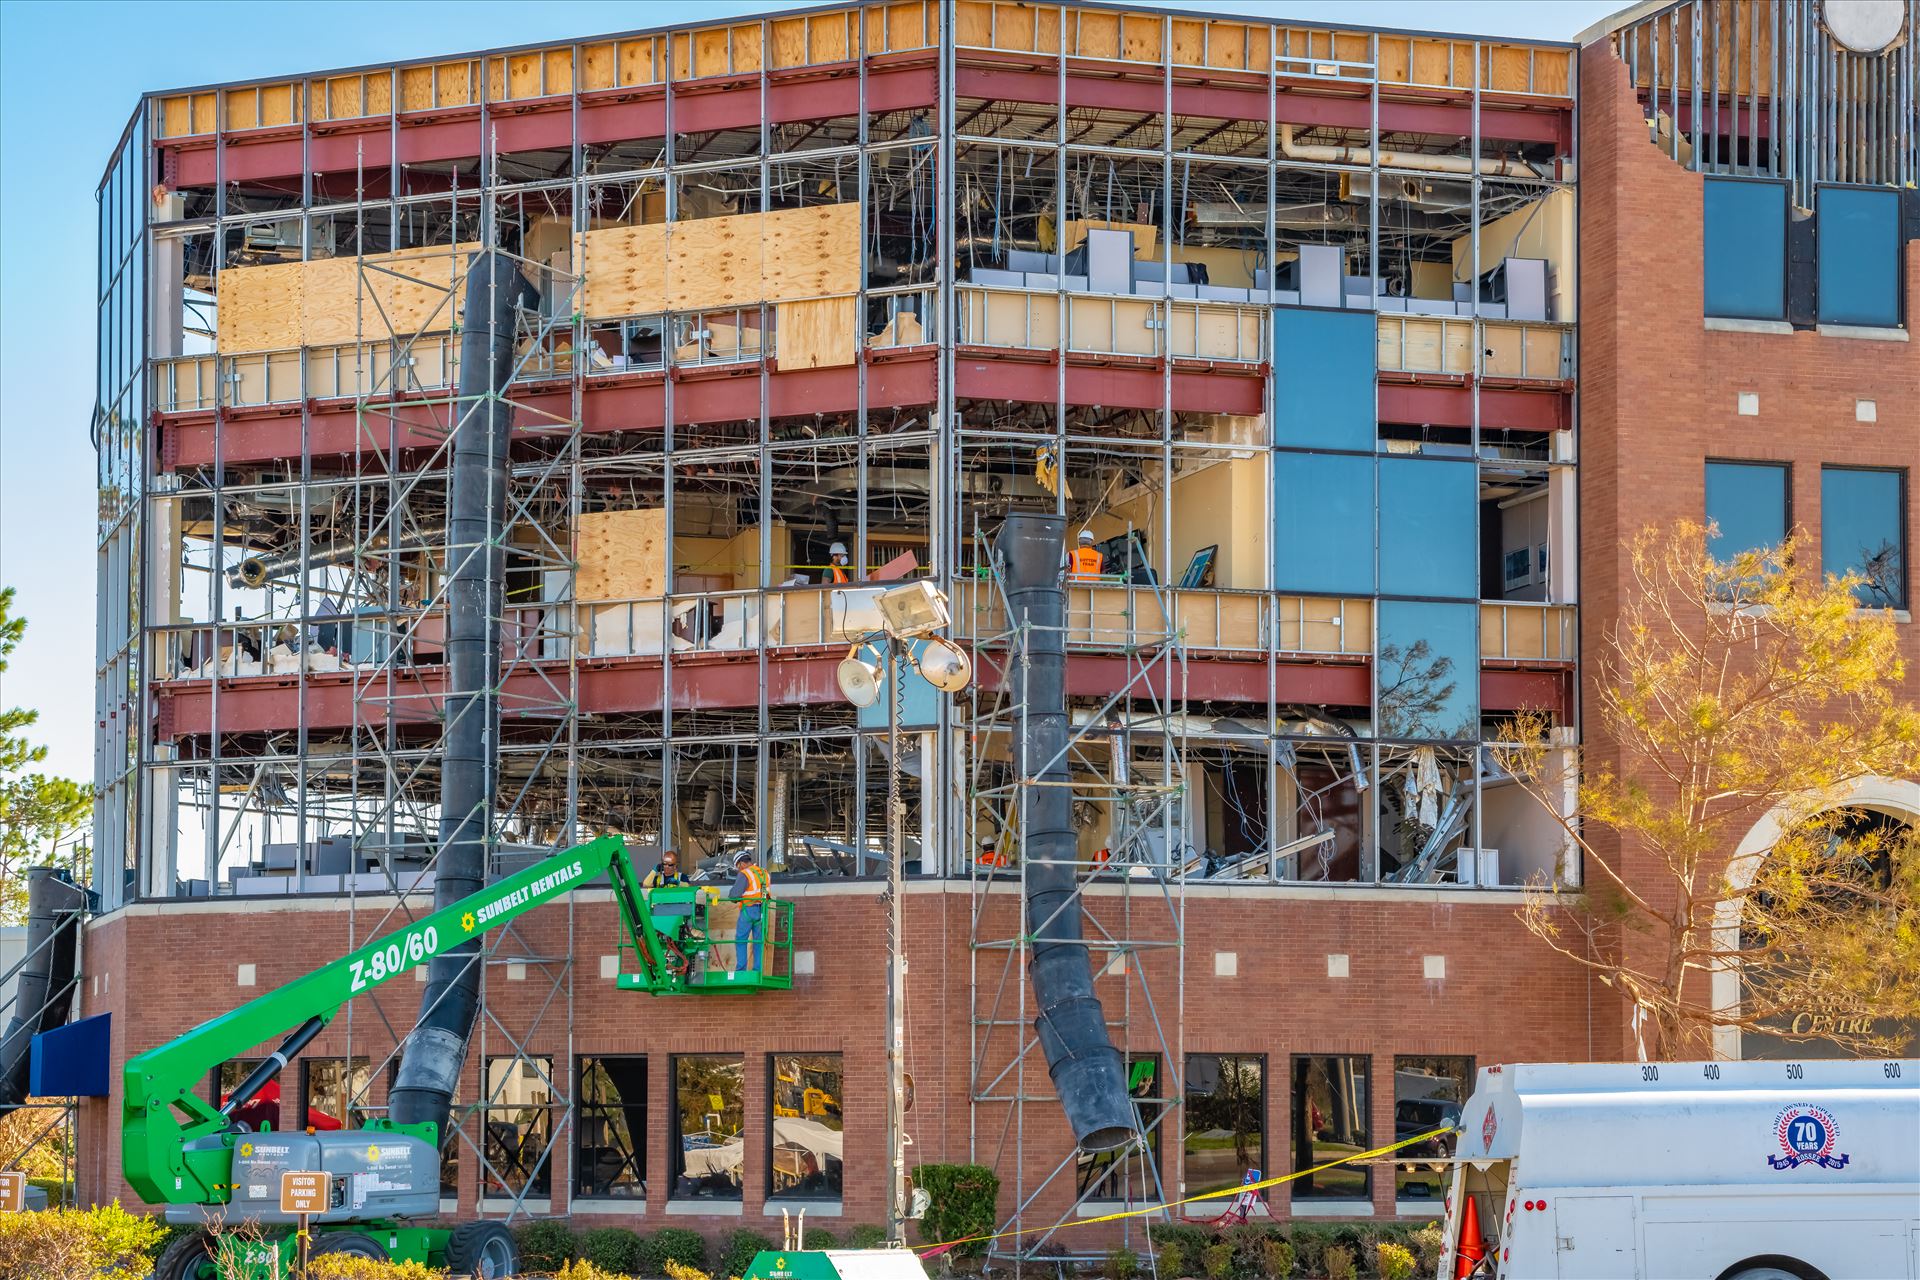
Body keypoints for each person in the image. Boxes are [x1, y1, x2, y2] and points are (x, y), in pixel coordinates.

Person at [729, 850, 772, 973]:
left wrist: (733, 897)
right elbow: (765, 893)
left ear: (741, 863)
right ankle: (757, 970)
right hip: (762, 910)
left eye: (738, 866)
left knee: (741, 939)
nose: (738, 869)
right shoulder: (764, 873)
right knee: (758, 942)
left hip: (749, 910)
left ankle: (741, 970)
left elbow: (734, 896)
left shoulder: (745, 874)